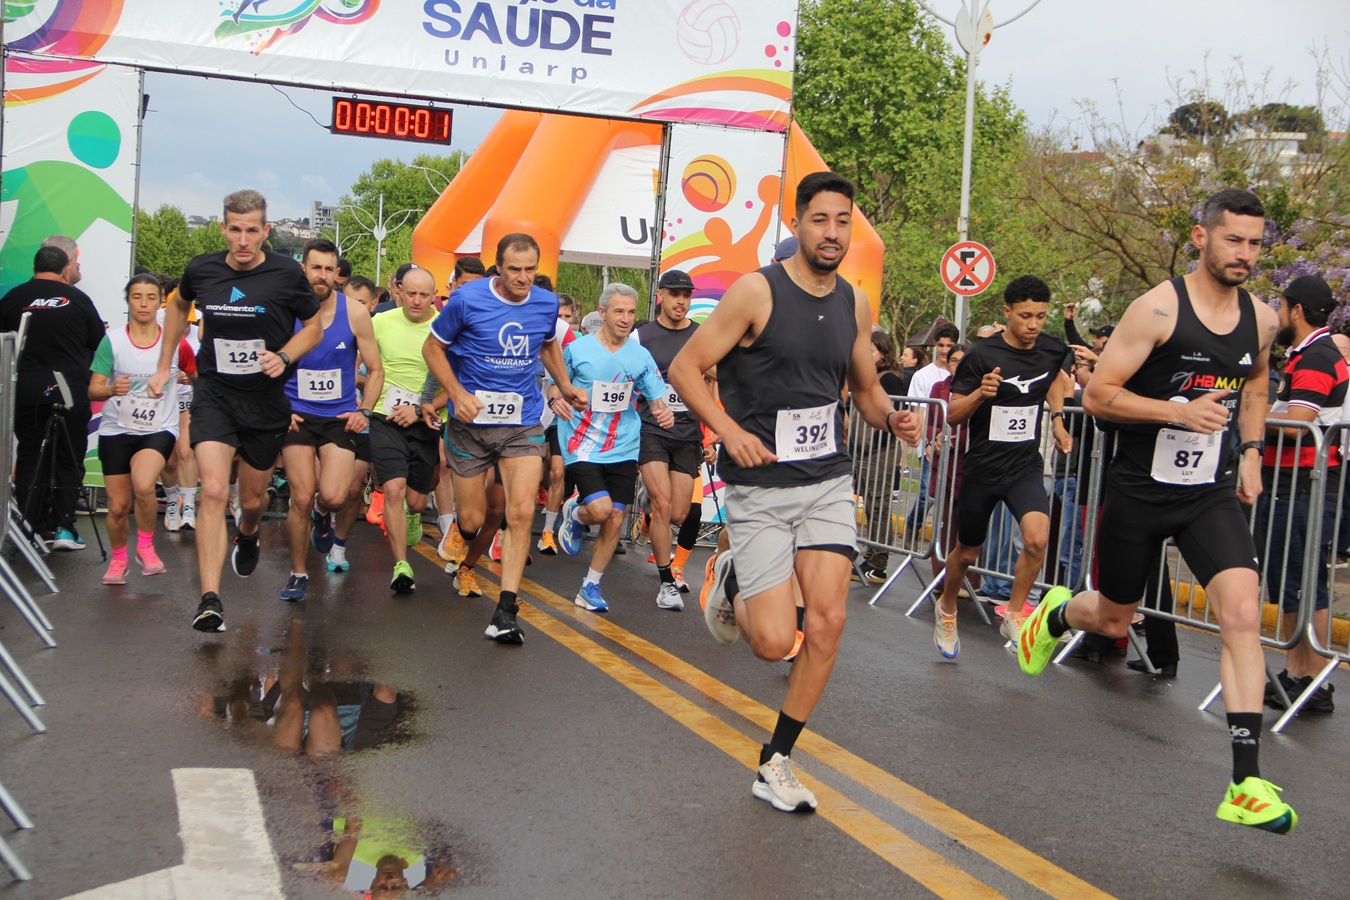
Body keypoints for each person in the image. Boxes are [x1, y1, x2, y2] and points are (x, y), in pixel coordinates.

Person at [1016, 188, 1297, 834]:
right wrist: (1177, 411)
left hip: (1208, 493)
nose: (1245, 254)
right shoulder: (1158, 310)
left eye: (1255, 244)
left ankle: (1246, 782)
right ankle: (1057, 613)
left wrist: (1251, 451)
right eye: (1233, 240)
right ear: (1201, 237)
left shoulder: (1261, 320)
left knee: (1242, 612)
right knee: (1115, 616)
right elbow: (1099, 395)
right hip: (1140, 490)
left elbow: (1256, 382)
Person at [669, 172, 920, 814]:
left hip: (827, 480)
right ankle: (729, 576)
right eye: (820, 220)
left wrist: (891, 417)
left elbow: (864, 389)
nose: (832, 233)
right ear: (798, 222)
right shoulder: (757, 292)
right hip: (758, 486)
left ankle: (776, 759)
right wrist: (728, 431)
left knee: (829, 620)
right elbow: (685, 368)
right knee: (773, 643)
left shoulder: (855, 303)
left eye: (843, 221)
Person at [149, 189, 323, 633]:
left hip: (265, 400)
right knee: (211, 490)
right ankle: (210, 599)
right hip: (215, 394)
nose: (243, 240)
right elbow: (178, 304)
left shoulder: (286, 273)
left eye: (251, 231)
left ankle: (248, 532)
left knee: (251, 500)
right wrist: (164, 364)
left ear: (266, 231)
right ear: (223, 228)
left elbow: (314, 327)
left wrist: (284, 356)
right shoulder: (202, 269)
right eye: (234, 230)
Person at [422, 233, 587, 645]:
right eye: (514, 269)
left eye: (530, 269)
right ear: (498, 267)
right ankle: (460, 533)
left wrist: (565, 385)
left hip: (522, 421)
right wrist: (456, 395)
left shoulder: (545, 303)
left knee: (520, 512)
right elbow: (432, 348)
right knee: (473, 520)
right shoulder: (467, 299)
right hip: (470, 424)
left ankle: (506, 610)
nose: (523, 277)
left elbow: (548, 345)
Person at [931, 276, 1073, 657]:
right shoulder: (981, 355)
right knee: (967, 553)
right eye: (1025, 316)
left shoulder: (1051, 349)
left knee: (1037, 538)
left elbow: (1054, 379)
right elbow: (953, 415)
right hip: (983, 468)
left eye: (1040, 316)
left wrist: (1058, 419)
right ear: (1007, 312)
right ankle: (947, 607)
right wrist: (981, 392)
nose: (1033, 324)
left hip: (1024, 465)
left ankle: (1013, 612)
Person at [551, 283, 674, 610]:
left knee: (616, 518)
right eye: (619, 311)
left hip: (624, 445)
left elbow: (657, 399)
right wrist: (555, 400)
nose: (626, 318)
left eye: (631, 312)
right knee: (601, 510)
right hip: (582, 442)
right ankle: (576, 513)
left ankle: (590, 586)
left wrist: (664, 414)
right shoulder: (577, 349)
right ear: (602, 313)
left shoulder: (640, 356)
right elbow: (554, 385)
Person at [1254, 275, 1345, 713]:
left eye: (1281, 306)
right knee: (1294, 580)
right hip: (1295, 485)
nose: (1277, 315)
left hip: (1303, 485)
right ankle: (1300, 674)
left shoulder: (1316, 357)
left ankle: (1312, 679)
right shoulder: (1308, 354)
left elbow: (1297, 424)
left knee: (1301, 582)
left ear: (1297, 311)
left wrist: (1250, 417)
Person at [278, 239, 384, 601]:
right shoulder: (285, 310)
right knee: (300, 496)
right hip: (297, 415)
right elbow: (268, 360)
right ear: (303, 270)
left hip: (338, 416)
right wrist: (279, 407)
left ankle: (323, 513)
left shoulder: (354, 312)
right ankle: (298, 573)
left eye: (328, 269)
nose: (321, 276)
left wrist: (364, 410)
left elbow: (376, 369)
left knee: (335, 496)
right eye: (315, 268)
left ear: (337, 273)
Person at [89, 274, 194, 583]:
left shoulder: (175, 344)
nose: (144, 304)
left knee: (145, 484)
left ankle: (146, 547)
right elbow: (93, 389)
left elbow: (198, 376)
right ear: (128, 301)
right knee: (118, 506)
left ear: (160, 301)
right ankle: (119, 560)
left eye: (150, 297)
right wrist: (111, 390)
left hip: (159, 428)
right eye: (137, 297)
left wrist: (190, 382)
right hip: (116, 429)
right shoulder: (113, 341)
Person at [0, 244, 104, 549]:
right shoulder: (79, 299)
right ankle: (62, 528)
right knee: (69, 459)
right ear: (65, 270)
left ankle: (29, 529)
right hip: (69, 390)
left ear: (34, 268)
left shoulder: (13, 298)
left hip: (26, 390)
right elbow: (98, 342)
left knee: (31, 457)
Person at [635, 269, 708, 608]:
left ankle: (647, 510)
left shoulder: (701, 335)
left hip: (687, 433)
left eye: (687, 295)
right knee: (663, 505)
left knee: (678, 513)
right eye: (675, 294)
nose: (681, 301)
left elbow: (718, 374)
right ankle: (667, 583)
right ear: (660, 295)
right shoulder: (642, 336)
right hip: (651, 429)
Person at [368, 267, 439, 593]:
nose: (417, 300)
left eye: (424, 295)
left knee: (416, 501)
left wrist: (421, 409)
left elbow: (455, 382)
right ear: (398, 291)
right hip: (386, 417)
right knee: (394, 489)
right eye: (411, 293)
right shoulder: (380, 322)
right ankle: (401, 565)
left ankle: (413, 515)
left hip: (426, 420)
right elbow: (362, 365)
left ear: (434, 296)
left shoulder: (444, 327)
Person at [854, 329, 909, 583]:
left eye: (871, 351)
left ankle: (878, 564)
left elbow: (891, 416)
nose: (866, 355)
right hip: (865, 450)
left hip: (879, 450)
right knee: (871, 506)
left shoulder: (888, 380)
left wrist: (873, 444)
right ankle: (871, 557)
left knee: (879, 506)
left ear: (884, 353)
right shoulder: (868, 377)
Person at [905, 323, 960, 534]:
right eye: (941, 345)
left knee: (952, 495)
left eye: (949, 345)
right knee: (927, 494)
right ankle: (912, 526)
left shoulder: (963, 374)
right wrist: (927, 442)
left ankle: (944, 538)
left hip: (957, 445)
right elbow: (919, 412)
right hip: (930, 442)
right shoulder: (922, 376)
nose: (945, 350)